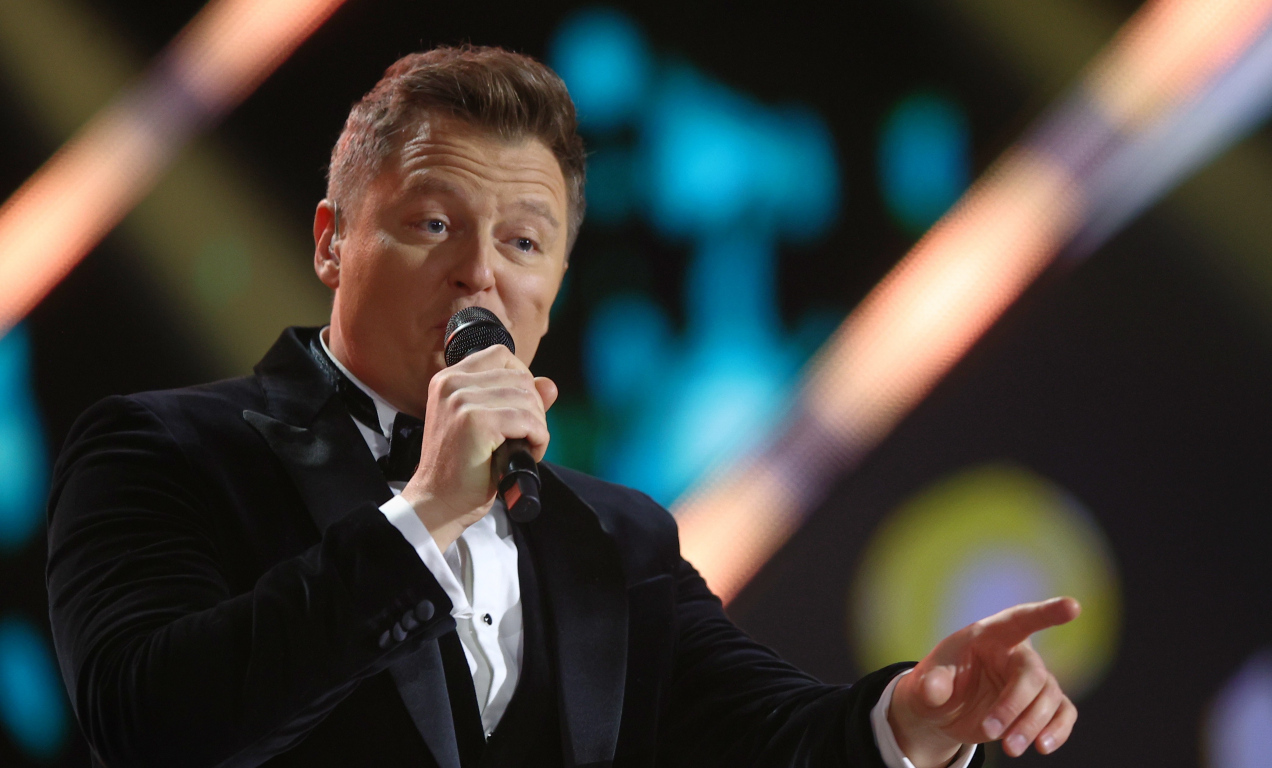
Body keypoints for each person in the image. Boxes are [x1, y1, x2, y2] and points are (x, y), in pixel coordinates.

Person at [46, 46, 1078, 768]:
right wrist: (425, 517)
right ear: (331, 243)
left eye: (523, 242)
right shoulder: (163, 450)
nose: (479, 273)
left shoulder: (613, 537)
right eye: (433, 223)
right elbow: (151, 725)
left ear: (556, 286)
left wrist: (915, 721)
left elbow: (768, 737)